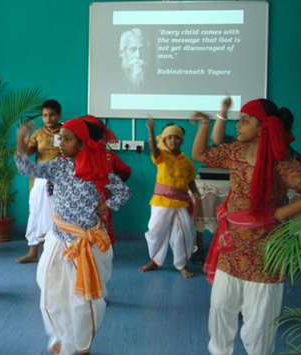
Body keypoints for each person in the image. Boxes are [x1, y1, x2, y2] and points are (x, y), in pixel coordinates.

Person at [191, 99, 301, 355]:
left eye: (244, 120)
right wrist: (205, 124)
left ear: (262, 127)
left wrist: (280, 212)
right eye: (238, 119)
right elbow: (200, 155)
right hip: (232, 247)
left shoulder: (282, 163)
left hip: (265, 252)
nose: (238, 125)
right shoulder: (235, 153)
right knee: (220, 306)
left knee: (260, 319)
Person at [15, 117, 131, 355]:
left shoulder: (98, 169)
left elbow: (123, 192)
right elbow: (27, 168)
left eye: (67, 139)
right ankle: (61, 335)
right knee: (50, 291)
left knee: (84, 300)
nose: (61, 144)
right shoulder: (59, 166)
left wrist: (105, 206)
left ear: (82, 144)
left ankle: (82, 344)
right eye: (61, 138)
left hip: (85, 244)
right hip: (57, 238)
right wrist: (20, 141)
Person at [139, 119, 200, 278]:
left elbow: (191, 181)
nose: (173, 140)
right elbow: (153, 148)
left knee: (184, 233)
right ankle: (155, 260)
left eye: (176, 137)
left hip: (180, 203)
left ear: (181, 140)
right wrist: (150, 131)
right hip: (161, 203)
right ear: (164, 140)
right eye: (169, 137)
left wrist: (196, 194)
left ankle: (181, 264)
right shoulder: (161, 156)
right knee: (155, 231)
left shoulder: (187, 162)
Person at [15, 99, 62, 263]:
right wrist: (21, 137)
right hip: (40, 180)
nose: (48, 118)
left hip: (61, 182)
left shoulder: (66, 133)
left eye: (51, 115)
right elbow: (24, 155)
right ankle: (33, 251)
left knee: (59, 214)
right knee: (35, 214)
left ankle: (58, 251)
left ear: (58, 115)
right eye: (45, 115)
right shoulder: (38, 134)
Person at [80, 115, 131, 246]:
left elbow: (125, 170)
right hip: (79, 204)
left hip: (101, 201)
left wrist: (112, 183)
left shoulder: (107, 155)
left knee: (102, 231)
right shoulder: (72, 156)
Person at [119, 28, 150, 93]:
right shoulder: (112, 81)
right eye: (132, 49)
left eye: (142, 50)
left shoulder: (155, 81)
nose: (138, 55)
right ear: (121, 52)